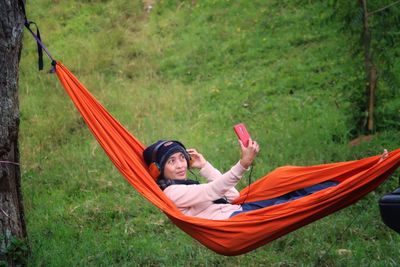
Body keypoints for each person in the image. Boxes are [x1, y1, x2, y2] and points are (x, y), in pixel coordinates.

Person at [142, 139, 339, 220]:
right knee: (291, 204)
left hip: (238, 210)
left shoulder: (186, 186)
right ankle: (337, 190)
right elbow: (213, 191)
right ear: (157, 170)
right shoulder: (172, 192)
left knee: (285, 181)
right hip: (236, 222)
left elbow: (232, 195)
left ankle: (340, 184)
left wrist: (204, 166)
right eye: (171, 161)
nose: (181, 165)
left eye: (181, 158)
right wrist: (243, 164)